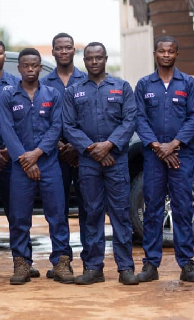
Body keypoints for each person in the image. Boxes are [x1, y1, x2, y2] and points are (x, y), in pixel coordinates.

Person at [62, 42, 139, 286]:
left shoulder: (122, 87)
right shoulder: (73, 91)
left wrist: (109, 145)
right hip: (88, 163)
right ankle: (94, 267)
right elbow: (69, 126)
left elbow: (130, 120)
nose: (94, 62)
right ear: (84, 61)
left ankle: (125, 268)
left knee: (121, 215)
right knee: (92, 215)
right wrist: (92, 149)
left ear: (105, 59)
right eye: (90, 58)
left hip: (116, 160)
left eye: (98, 58)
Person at [0, 48, 74, 285]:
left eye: (34, 65)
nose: (30, 69)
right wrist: (24, 158)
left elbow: (56, 127)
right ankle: (22, 263)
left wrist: (38, 153)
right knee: (19, 217)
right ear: (19, 68)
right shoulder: (8, 95)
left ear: (40, 67)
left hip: (50, 163)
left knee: (57, 215)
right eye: (25, 66)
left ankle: (61, 263)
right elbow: (7, 130)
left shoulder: (52, 94)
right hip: (20, 167)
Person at [134, 36, 194, 283]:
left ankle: (186, 265)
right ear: (155, 53)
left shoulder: (188, 83)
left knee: (183, 208)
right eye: (161, 51)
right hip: (153, 157)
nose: (166, 55)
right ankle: (151, 265)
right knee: (152, 209)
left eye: (170, 51)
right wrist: (157, 146)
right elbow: (139, 118)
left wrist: (173, 145)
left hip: (180, 155)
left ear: (176, 54)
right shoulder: (144, 84)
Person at [0, 39, 42, 277]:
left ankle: (23, 261)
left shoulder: (16, 84)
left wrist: (8, 152)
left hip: (13, 159)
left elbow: (17, 125)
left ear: (5, 57)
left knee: (18, 212)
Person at [40, 32, 86, 278]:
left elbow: (92, 120)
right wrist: (60, 146)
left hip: (85, 156)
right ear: (53, 52)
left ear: (74, 51)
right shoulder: (44, 82)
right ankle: (61, 260)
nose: (64, 51)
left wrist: (79, 147)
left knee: (88, 208)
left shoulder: (87, 79)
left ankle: (91, 261)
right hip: (54, 156)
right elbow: (42, 121)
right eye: (60, 48)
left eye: (69, 47)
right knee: (57, 210)